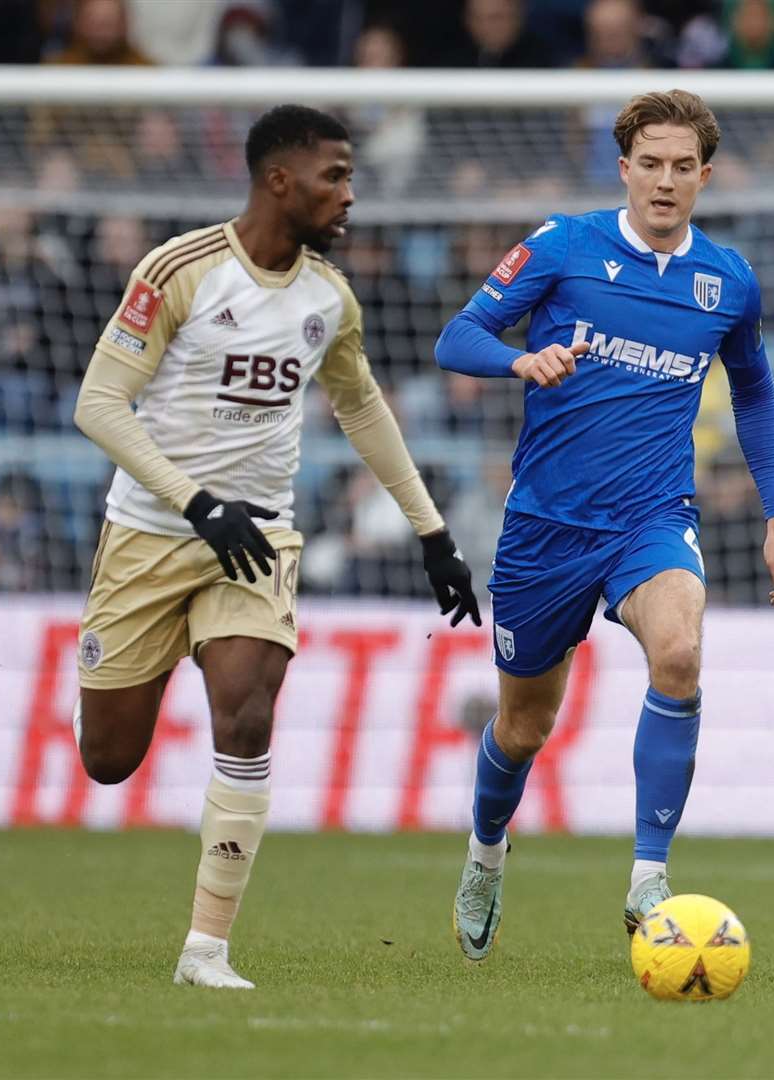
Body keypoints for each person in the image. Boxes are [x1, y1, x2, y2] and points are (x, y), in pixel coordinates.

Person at [71, 105, 478, 990]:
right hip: (149, 532)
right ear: (278, 181)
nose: (350, 194)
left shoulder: (329, 296)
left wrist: (431, 531)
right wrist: (193, 501)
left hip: (255, 538)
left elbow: (360, 406)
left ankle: (205, 950)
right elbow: (98, 404)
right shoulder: (178, 270)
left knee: (248, 714)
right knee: (108, 759)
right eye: (334, 176)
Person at [434, 90, 774, 960]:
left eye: (684, 167)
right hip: (545, 525)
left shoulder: (728, 281)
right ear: (624, 168)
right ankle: (486, 851)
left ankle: (648, 877)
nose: (665, 182)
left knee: (679, 653)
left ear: (705, 176)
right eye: (651, 164)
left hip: (652, 514)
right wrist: (520, 356)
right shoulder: (563, 247)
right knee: (524, 727)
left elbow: (754, 391)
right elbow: (458, 335)